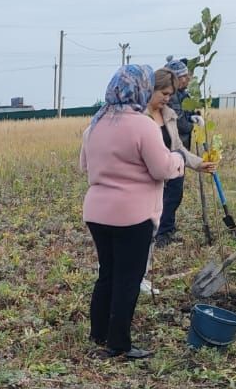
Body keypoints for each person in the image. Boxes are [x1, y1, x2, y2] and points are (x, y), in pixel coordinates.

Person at [80, 65, 186, 359]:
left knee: (108, 273)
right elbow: (161, 168)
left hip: (97, 212)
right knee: (128, 278)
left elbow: (84, 165)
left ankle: (99, 332)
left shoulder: (95, 124)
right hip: (133, 214)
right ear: (140, 88)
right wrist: (178, 159)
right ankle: (119, 343)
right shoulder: (143, 125)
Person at [144, 67, 218, 290]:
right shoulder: (138, 118)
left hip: (163, 177)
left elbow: (177, 148)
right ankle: (133, 276)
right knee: (142, 229)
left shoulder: (169, 116)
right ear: (151, 89)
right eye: (164, 94)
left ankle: (142, 275)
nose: (168, 99)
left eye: (170, 95)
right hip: (143, 181)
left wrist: (198, 164)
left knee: (152, 225)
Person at [156, 56, 196, 246]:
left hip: (179, 152)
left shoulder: (183, 95)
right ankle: (162, 232)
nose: (187, 80)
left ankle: (167, 228)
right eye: (184, 77)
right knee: (171, 193)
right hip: (169, 153)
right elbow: (181, 123)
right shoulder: (171, 99)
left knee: (173, 193)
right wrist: (191, 123)